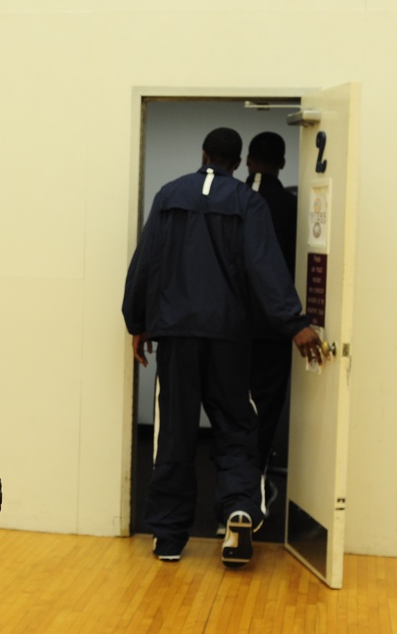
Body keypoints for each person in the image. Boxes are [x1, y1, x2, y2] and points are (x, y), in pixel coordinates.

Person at [122, 127, 321, 568]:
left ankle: (170, 538)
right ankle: (238, 509)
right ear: (238, 161)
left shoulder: (169, 195)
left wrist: (137, 322)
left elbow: (146, 260)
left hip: (175, 335)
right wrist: (295, 324)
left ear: (205, 154)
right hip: (230, 337)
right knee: (236, 426)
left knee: (174, 432)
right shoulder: (248, 203)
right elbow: (265, 269)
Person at [244, 132, 298, 495]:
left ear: (247, 160)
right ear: (282, 162)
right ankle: (252, 485)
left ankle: (226, 486)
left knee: (229, 406)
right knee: (264, 409)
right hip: (274, 326)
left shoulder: (230, 199)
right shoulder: (292, 206)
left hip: (228, 327)